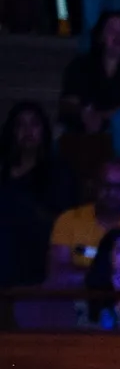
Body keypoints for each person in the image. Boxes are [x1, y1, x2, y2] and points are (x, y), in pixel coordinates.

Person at [49, 158, 120, 281]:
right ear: (94, 186)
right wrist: (117, 273)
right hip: (78, 292)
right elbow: (58, 274)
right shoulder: (69, 219)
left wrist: (89, 274)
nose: (112, 193)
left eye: (119, 187)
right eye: (105, 186)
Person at [2, 101, 76, 285]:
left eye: (34, 124)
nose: (28, 131)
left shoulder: (59, 171)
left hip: (41, 243)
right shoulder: (3, 170)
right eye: (21, 125)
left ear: (43, 130)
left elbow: (62, 217)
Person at [61, 11, 120, 133]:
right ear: (101, 36)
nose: (118, 35)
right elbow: (68, 103)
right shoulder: (80, 65)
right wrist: (85, 114)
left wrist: (104, 115)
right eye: (112, 30)